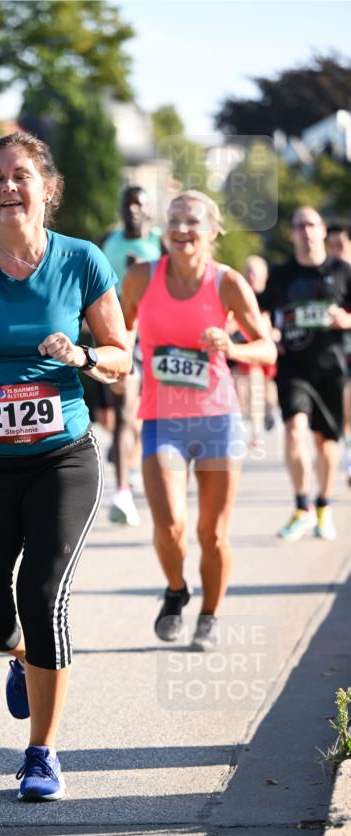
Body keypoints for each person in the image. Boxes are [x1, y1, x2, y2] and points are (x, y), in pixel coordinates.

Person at [0, 132, 132, 801]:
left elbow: (121, 356)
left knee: (42, 597)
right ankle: (19, 658)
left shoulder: (82, 261)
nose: (8, 188)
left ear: (47, 187)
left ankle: (41, 751)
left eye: (20, 176)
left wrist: (84, 360)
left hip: (61, 457)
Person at [122, 191, 276, 652]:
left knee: (212, 533)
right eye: (174, 221)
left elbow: (266, 347)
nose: (182, 229)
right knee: (169, 525)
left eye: (192, 221)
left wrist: (231, 348)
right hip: (161, 419)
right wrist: (116, 365)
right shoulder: (140, 278)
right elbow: (116, 328)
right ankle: (175, 590)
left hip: (217, 420)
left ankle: (209, 615)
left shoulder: (226, 283)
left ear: (212, 232)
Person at [261, 206, 351, 540]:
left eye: (311, 224)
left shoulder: (342, 271)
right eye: (299, 226)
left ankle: (324, 506)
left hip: (331, 365)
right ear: (292, 234)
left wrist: (347, 320)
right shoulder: (282, 274)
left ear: (323, 230)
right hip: (293, 366)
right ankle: (302, 506)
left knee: (326, 441)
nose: (306, 231)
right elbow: (261, 309)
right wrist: (268, 331)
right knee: (295, 430)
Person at [100, 186, 163, 526]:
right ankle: (122, 492)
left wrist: (148, 272)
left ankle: (137, 462)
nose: (133, 209)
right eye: (128, 203)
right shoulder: (107, 239)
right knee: (125, 409)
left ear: (150, 209)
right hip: (122, 335)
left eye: (140, 203)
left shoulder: (162, 242)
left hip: (160, 337)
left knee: (147, 411)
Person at [230, 255, 279, 449]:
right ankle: (254, 430)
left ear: (264, 276)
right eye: (248, 271)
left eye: (256, 272)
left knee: (267, 392)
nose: (251, 276)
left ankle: (268, 412)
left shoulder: (271, 296)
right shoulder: (237, 294)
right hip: (244, 350)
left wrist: (273, 332)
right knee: (249, 384)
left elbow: (280, 321)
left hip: (268, 351)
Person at [326, 225, 351, 482]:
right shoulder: (328, 275)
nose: (335, 251)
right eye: (331, 246)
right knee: (345, 407)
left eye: (340, 245)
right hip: (337, 353)